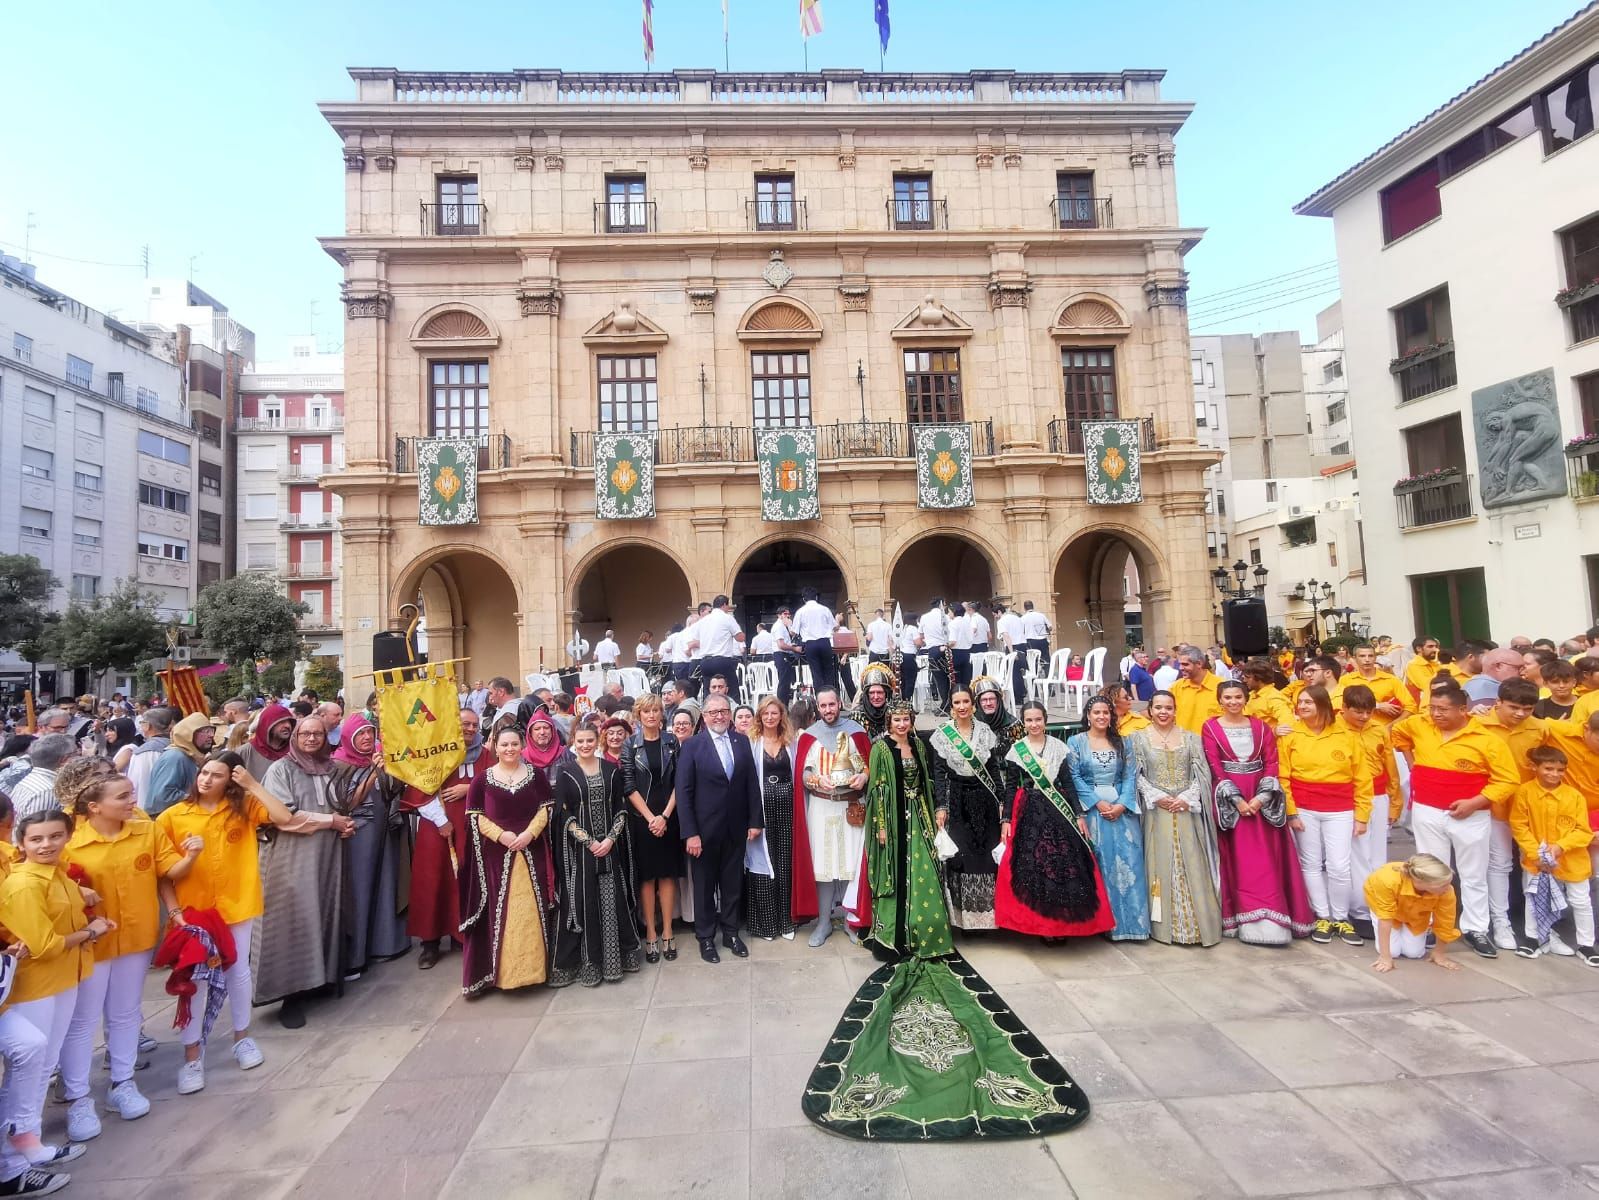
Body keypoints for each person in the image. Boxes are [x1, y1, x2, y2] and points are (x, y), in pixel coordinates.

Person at [803, 698, 1090, 1141]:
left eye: (905, 718)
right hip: (891, 822)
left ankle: (927, 935)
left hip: (917, 819)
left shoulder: (917, 745)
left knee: (927, 877)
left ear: (911, 721)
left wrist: (935, 812)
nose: (900, 723)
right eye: (896, 719)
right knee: (900, 879)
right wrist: (881, 825)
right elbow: (879, 788)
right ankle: (893, 935)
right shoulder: (881, 748)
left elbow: (932, 785)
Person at [56, 767, 184, 1138]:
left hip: (136, 935)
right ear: (94, 806)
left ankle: (122, 1083)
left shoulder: (144, 828)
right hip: (88, 942)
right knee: (83, 1020)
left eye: (131, 794)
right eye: (123, 796)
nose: (133, 801)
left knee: (126, 1012)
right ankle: (79, 1099)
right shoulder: (66, 839)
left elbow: (166, 871)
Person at [0, 809, 106, 1171]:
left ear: (67, 837)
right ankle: (16, 1148)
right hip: (35, 985)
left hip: (62, 977)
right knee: (30, 1065)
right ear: (21, 843)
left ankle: (27, 1141)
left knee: (43, 1065)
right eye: (36, 839)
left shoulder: (55, 874)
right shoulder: (26, 883)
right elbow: (44, 945)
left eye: (54, 836)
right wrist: (93, 932)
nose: (46, 844)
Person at [1391, 685, 1519, 959]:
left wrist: (1475, 802)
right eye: (1432, 708)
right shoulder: (1419, 724)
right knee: (1428, 872)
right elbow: (1398, 734)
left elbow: (1508, 780)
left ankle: (1476, 928)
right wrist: (1412, 763)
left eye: (1443, 709)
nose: (1435, 714)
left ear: (1463, 710)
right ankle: (1429, 923)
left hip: (1470, 815)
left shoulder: (1487, 740)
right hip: (1427, 810)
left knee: (1473, 873)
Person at [254, 716, 354, 1026]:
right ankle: (290, 995)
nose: (311, 739)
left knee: (323, 912)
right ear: (295, 737)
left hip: (327, 854)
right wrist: (331, 822)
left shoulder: (331, 768)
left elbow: (339, 807)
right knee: (292, 919)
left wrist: (345, 824)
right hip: (292, 857)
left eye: (318, 734)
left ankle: (318, 981)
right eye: (305, 733)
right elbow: (283, 816)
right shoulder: (281, 769)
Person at [1200, 685, 1314, 945]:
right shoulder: (1211, 727)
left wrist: (1261, 798)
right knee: (1239, 858)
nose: (1233, 701)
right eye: (1227, 697)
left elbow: (1271, 761)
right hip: (1230, 798)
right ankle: (1241, 918)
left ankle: (1275, 918)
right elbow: (1214, 765)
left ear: (1246, 699)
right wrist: (1238, 800)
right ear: (1219, 700)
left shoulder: (1261, 727)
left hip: (1261, 798)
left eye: (1238, 697)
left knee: (1268, 857)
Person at [459, 726, 556, 996]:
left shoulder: (535, 775)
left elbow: (547, 807)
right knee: (500, 912)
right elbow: (474, 816)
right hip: (496, 855)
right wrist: (502, 835)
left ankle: (535, 971)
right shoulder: (482, 780)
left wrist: (529, 834)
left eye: (514, 744)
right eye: (504, 745)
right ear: (495, 746)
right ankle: (501, 975)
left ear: (521, 745)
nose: (510, 749)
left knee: (530, 909)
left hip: (530, 850)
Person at [550, 724, 641, 987]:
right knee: (585, 900)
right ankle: (590, 961)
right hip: (582, 851)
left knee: (612, 899)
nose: (586, 744)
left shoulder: (611, 771)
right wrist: (589, 842)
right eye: (581, 740)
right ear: (573, 742)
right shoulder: (566, 771)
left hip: (610, 849)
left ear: (596, 741)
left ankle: (615, 959)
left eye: (590, 740)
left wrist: (610, 839)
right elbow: (563, 813)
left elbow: (620, 809)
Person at [1280, 685, 1372, 947]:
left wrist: (1362, 815)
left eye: (1309, 702)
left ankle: (1341, 917)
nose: (1303, 706)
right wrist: (1291, 812)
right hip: (1305, 809)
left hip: (1340, 809)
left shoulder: (1346, 735)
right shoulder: (1290, 735)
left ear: (1323, 705)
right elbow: (1283, 777)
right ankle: (1322, 915)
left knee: (1339, 866)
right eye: (1301, 702)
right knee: (1310, 864)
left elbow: (1362, 778)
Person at [676, 694, 763, 963]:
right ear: (704, 716)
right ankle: (705, 938)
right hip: (703, 834)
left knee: (732, 885)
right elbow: (684, 791)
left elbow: (751, 783)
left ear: (730, 713)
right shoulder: (692, 746)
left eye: (723, 711)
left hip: (736, 830)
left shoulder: (741, 741)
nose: (719, 716)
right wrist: (690, 833)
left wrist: (755, 821)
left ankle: (731, 933)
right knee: (704, 887)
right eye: (713, 712)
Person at [1130, 693, 1221, 947]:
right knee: (1158, 863)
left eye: (1168, 708)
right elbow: (1135, 774)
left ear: (1175, 710)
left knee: (1192, 859)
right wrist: (1156, 796)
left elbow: (1201, 774)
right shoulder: (1138, 739)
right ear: (1149, 710)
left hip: (1185, 809)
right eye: (1158, 707)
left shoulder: (1191, 738)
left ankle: (1198, 926)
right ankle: (1164, 928)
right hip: (1155, 811)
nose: (1163, 712)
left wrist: (1187, 797)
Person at [404, 707, 482, 970]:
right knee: (433, 882)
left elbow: (496, 780)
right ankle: (430, 943)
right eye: (465, 724)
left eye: (474, 725)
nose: (470, 729)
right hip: (437, 829)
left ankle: (460, 935)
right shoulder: (434, 752)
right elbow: (420, 788)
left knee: (463, 882)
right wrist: (442, 820)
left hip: (471, 830)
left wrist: (469, 787)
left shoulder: (485, 753)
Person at [1067, 697, 1149, 941]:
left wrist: (1122, 804)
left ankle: (1133, 926)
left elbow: (1129, 776)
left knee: (1129, 862)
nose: (1101, 716)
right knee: (1099, 862)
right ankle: (1103, 924)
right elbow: (1074, 777)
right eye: (1096, 712)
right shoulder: (1076, 742)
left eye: (1106, 712)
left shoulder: (1124, 742)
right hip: (1093, 808)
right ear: (1088, 715)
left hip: (1121, 808)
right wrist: (1097, 802)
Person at [1509, 746, 1597, 962]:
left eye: (1560, 770)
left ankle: (1586, 944)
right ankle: (1533, 938)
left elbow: (1583, 830)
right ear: (1535, 767)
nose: (1554, 774)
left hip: (1572, 859)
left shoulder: (1574, 796)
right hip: (1536, 860)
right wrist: (1534, 853)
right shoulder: (1525, 792)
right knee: (1534, 897)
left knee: (1580, 901)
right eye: (1548, 768)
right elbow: (1519, 825)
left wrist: (1560, 847)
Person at [797, 688, 868, 947]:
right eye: (823, 705)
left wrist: (864, 777)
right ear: (818, 707)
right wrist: (816, 779)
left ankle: (852, 920)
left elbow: (866, 765)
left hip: (851, 807)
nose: (828, 710)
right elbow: (803, 775)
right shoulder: (810, 736)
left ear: (840, 703)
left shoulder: (856, 732)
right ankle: (824, 922)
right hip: (821, 807)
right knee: (823, 867)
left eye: (832, 704)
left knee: (852, 866)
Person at [929, 687, 1005, 931]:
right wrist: (941, 806)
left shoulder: (985, 732)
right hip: (957, 800)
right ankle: (963, 921)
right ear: (951, 705)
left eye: (966, 701)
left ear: (973, 704)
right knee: (962, 858)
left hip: (985, 802)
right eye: (956, 702)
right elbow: (939, 774)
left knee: (986, 856)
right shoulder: (942, 735)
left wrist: (1001, 799)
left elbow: (993, 769)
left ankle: (989, 920)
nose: (961, 706)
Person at [1338, 685, 1405, 939]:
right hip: (1351, 797)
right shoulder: (1334, 731)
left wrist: (1395, 802)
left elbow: (1390, 767)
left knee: (1377, 855)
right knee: (1357, 855)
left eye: (1368, 712)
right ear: (1344, 709)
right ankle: (1360, 910)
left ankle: (1377, 905)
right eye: (1358, 712)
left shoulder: (1379, 729)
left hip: (1379, 796)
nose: (1364, 717)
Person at [621, 695, 683, 963]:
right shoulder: (629, 745)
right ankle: (650, 931)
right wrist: (651, 818)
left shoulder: (672, 742)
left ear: (661, 714)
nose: (651, 715)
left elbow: (681, 781)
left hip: (669, 815)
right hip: (642, 819)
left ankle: (668, 930)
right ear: (638, 715)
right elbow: (629, 785)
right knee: (647, 878)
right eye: (646, 711)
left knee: (667, 875)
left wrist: (665, 816)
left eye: (656, 710)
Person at [745, 696, 799, 941]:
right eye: (765, 713)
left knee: (785, 862)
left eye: (774, 713)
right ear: (760, 716)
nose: (769, 718)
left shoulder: (791, 741)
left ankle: (787, 921)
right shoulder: (752, 742)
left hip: (788, 807)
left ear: (781, 716)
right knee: (763, 865)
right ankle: (766, 924)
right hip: (762, 809)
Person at [1366, 854, 1461, 973]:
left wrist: (1439, 953)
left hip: (1417, 913)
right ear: (1421, 882)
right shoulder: (1386, 880)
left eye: (1449, 883)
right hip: (1386, 910)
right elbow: (1385, 918)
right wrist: (1385, 957)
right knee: (1393, 952)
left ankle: (1422, 924)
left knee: (1414, 953)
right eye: (1443, 885)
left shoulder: (1446, 891)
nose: (1448, 888)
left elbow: (1446, 921)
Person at [144, 713, 214, 819]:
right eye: (205, 731)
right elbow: (164, 796)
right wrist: (202, 798)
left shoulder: (189, 755)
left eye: (211, 731)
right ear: (188, 734)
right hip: (167, 822)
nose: (211, 735)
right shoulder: (175, 757)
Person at [7, 735, 78, 823]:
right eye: (76, 753)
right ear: (65, 760)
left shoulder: (32, 779)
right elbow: (37, 831)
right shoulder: (47, 792)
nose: (80, 757)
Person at [793, 588, 838, 696]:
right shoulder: (825, 609)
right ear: (816, 597)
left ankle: (820, 699)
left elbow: (794, 632)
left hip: (810, 644)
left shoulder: (800, 612)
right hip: (824, 642)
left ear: (804, 599)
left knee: (816, 673)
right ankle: (831, 697)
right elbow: (835, 626)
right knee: (828, 671)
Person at [1170, 646, 1224, 734]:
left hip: (1212, 745)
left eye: (1185, 664)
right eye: (1180, 664)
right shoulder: (1176, 687)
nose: (1180, 668)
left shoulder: (1221, 686)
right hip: (1185, 745)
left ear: (1199, 663)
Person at [237, 703, 294, 781]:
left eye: (289, 722)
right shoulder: (245, 752)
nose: (287, 725)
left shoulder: (295, 751)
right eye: (281, 722)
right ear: (267, 724)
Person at [920, 599, 953, 712]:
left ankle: (945, 702)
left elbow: (921, 634)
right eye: (944, 604)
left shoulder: (924, 617)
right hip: (946, 648)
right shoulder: (946, 617)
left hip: (933, 650)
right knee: (950, 677)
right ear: (941, 604)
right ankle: (950, 702)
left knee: (939, 678)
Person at [849, 663, 894, 741]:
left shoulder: (895, 712)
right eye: (872, 693)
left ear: (886, 694)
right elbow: (858, 745)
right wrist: (884, 736)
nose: (876, 697)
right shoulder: (857, 715)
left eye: (879, 692)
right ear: (866, 694)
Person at [1020, 600, 1051, 665]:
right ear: (1033, 606)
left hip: (1031, 641)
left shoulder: (1023, 618)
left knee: (1034, 660)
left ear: (1024, 608)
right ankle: (1047, 673)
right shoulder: (1041, 615)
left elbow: (1021, 631)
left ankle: (1035, 674)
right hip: (1043, 640)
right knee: (1046, 659)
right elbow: (1050, 627)